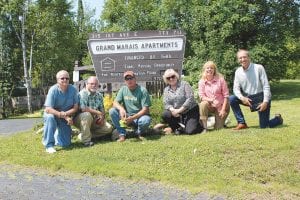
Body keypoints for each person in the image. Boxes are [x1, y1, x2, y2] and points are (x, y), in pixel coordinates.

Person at [229, 49, 283, 130]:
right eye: (240, 58)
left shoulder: (259, 68)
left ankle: (278, 119)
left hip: (262, 99)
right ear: (238, 60)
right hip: (249, 99)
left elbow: (266, 86)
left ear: (249, 58)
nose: (243, 59)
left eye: (244, 57)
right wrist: (242, 98)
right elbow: (235, 89)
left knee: (264, 126)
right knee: (232, 98)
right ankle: (242, 123)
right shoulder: (238, 72)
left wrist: (265, 102)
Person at [42, 70, 79, 153]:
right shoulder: (53, 90)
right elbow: (48, 109)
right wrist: (64, 116)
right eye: (62, 78)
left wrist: (66, 115)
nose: (65, 80)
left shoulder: (73, 89)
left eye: (67, 78)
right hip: (53, 114)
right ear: (57, 80)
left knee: (66, 144)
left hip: (64, 116)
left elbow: (75, 107)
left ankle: (56, 135)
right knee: (50, 118)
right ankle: (49, 145)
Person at [109, 71, 151, 142]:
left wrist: (133, 118)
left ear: (135, 79)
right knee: (112, 111)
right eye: (127, 79)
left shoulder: (142, 90)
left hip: (140, 116)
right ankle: (122, 134)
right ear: (125, 81)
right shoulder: (123, 89)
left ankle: (139, 133)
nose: (129, 80)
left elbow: (145, 110)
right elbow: (115, 103)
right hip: (127, 116)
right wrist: (121, 109)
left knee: (145, 120)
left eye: (131, 78)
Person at [74, 76, 113, 147]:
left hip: (94, 120)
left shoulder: (99, 95)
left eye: (95, 84)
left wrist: (102, 118)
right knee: (87, 114)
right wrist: (98, 113)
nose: (94, 85)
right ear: (87, 84)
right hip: (81, 119)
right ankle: (86, 141)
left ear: (98, 85)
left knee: (109, 128)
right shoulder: (82, 93)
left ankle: (84, 135)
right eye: (91, 84)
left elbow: (102, 109)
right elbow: (83, 108)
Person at [161, 69, 203, 135]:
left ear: (176, 76)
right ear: (166, 80)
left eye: (172, 76)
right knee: (165, 114)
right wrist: (173, 110)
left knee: (190, 131)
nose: (171, 79)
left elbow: (190, 98)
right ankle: (177, 128)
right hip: (177, 113)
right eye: (168, 78)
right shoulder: (166, 90)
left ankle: (199, 125)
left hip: (190, 110)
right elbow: (166, 103)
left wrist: (179, 110)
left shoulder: (184, 84)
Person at [198, 61, 230, 132]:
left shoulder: (221, 80)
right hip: (210, 106)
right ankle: (205, 128)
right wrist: (210, 100)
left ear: (214, 70)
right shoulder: (201, 82)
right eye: (207, 68)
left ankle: (222, 122)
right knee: (203, 104)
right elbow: (201, 96)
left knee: (218, 129)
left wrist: (223, 109)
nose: (209, 69)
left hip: (221, 106)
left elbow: (226, 96)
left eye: (211, 68)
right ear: (204, 70)